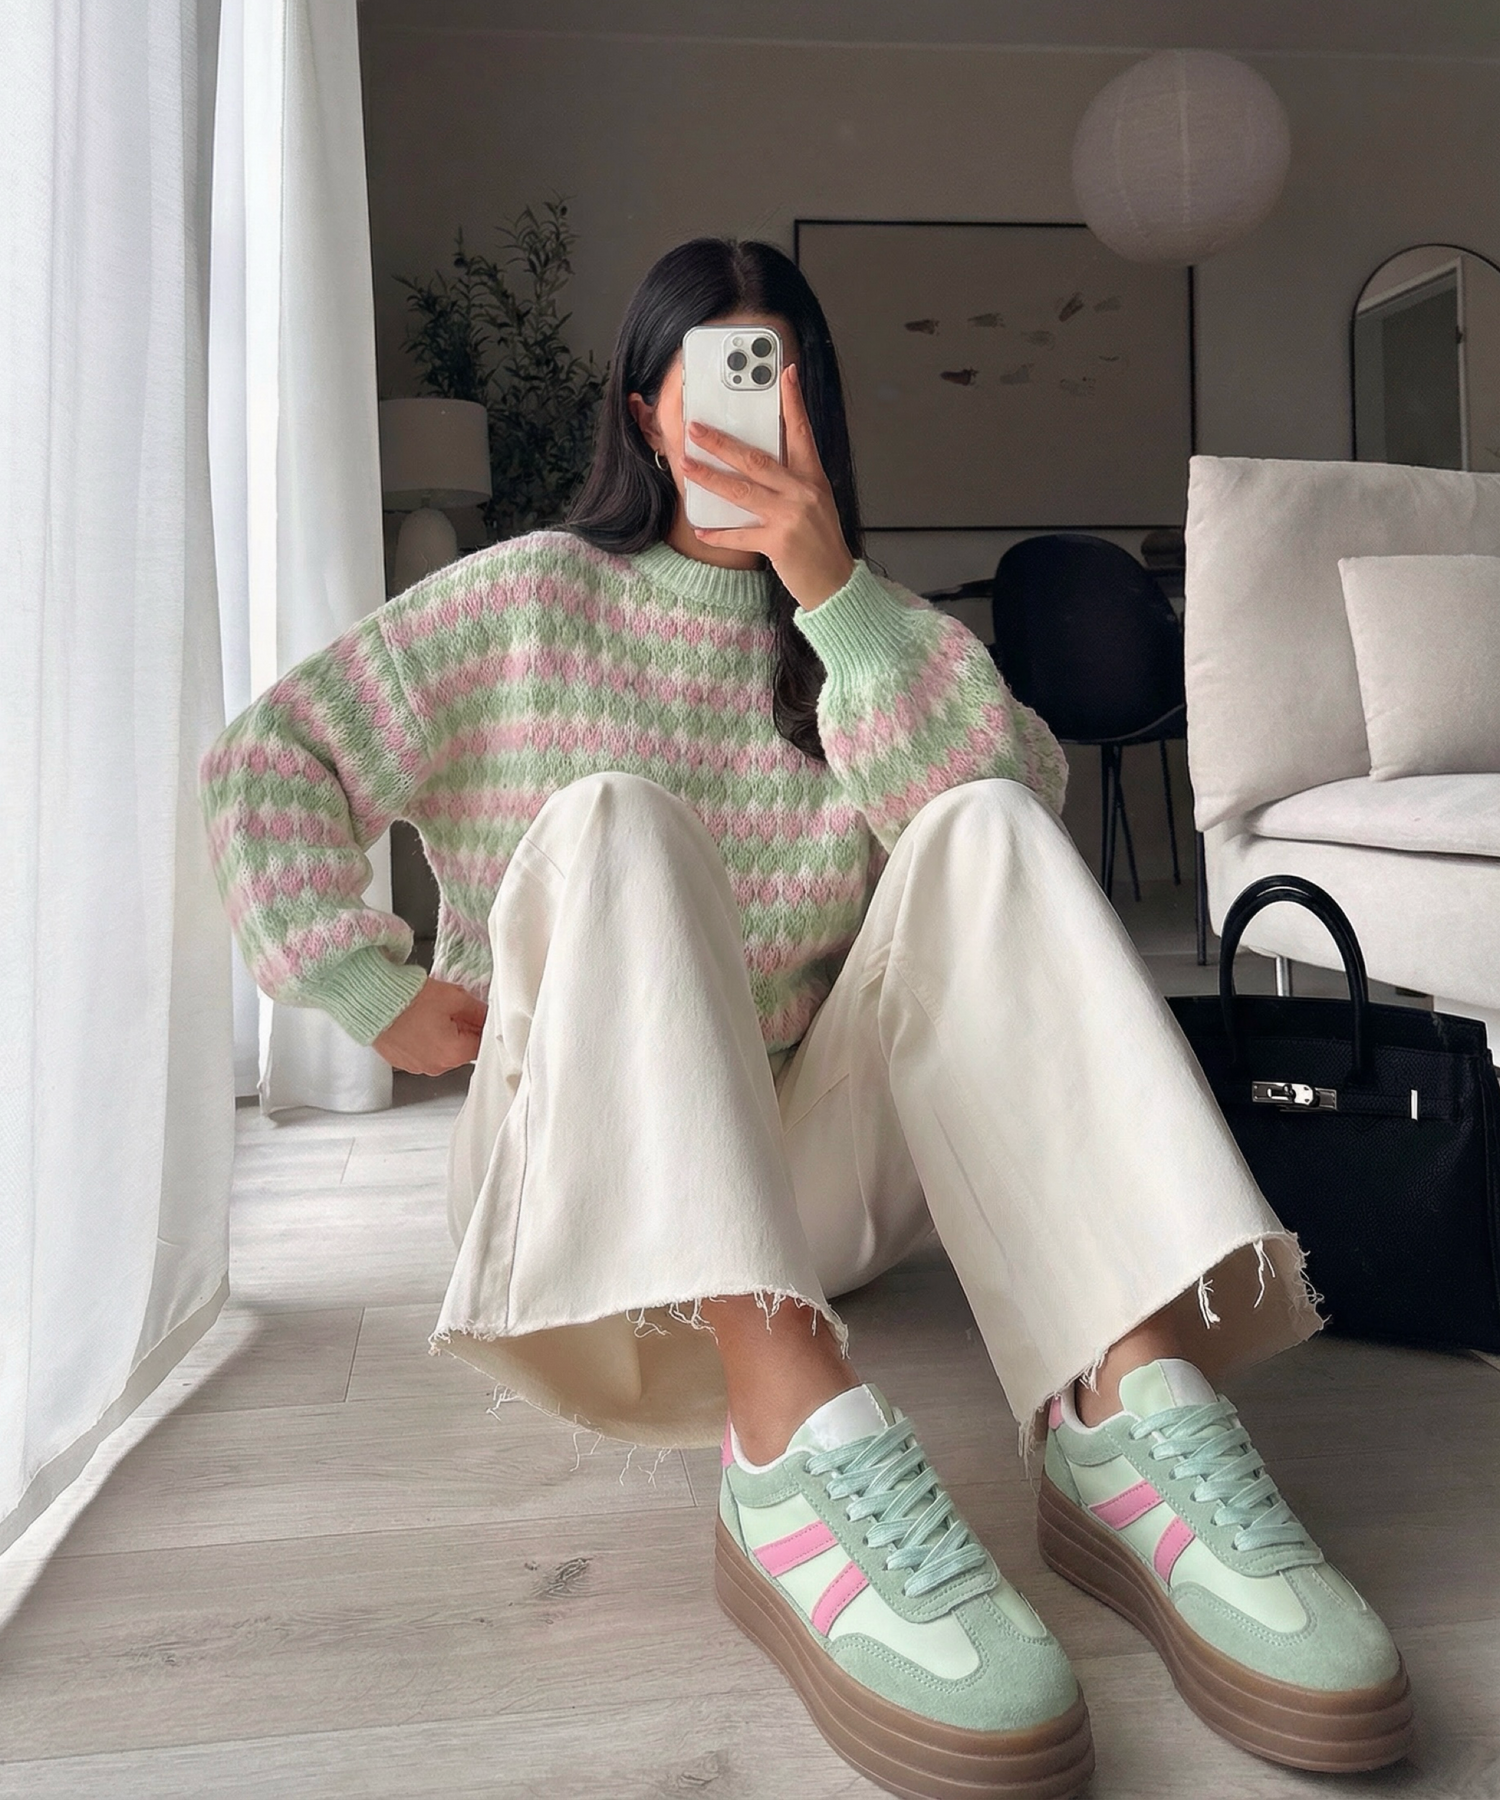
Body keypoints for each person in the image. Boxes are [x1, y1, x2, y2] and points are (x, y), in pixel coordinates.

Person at [199, 237, 1413, 1800]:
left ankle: (1127, 1399)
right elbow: (267, 758)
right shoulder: (526, 598)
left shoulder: (870, 623)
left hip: (818, 1192)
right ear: (646, 413)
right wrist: (363, 984)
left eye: (776, 380)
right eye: (713, 379)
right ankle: (783, 1438)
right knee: (618, 814)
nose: (744, 413)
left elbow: (1016, 830)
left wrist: (833, 596)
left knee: (980, 818)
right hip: (583, 1170)